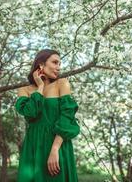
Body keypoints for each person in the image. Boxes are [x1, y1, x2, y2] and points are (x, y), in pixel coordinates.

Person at [15, 49, 80, 181]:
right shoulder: (24, 90)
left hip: (58, 144)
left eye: (59, 64)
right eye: (55, 62)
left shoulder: (62, 83)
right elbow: (30, 113)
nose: (58, 67)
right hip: (33, 147)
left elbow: (67, 117)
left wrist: (55, 149)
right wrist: (40, 87)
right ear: (41, 65)